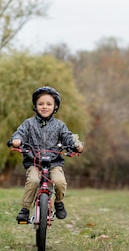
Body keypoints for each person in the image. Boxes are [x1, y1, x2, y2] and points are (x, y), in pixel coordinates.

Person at [9, 86, 84, 223]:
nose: (44, 107)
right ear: (35, 106)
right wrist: (17, 140)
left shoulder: (59, 125)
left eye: (49, 104)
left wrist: (77, 145)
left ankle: (59, 202)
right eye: (41, 104)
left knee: (59, 182)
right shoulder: (29, 124)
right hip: (34, 162)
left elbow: (69, 137)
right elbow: (20, 133)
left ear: (55, 107)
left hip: (54, 162)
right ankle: (25, 209)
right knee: (33, 181)